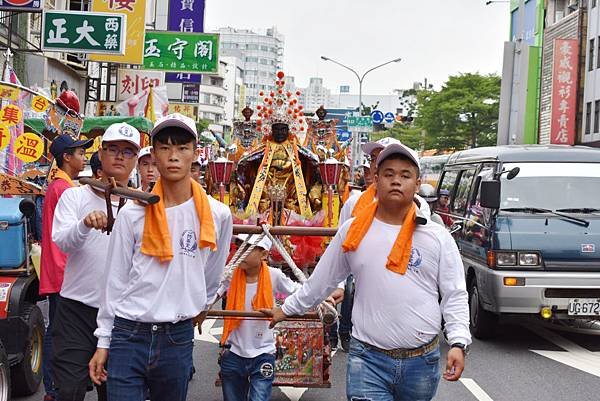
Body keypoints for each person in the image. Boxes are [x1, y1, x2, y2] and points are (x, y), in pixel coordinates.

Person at [262, 142, 471, 401]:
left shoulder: (436, 236)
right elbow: (322, 280)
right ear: (375, 179)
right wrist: (286, 309)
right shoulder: (352, 231)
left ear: (417, 184)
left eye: (405, 175)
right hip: (367, 360)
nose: (396, 181)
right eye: (388, 174)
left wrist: (458, 342)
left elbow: (455, 293)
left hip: (422, 363)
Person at [88, 113, 233, 401]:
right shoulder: (132, 213)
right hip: (128, 334)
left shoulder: (218, 215)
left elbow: (214, 274)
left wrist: (198, 304)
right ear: (153, 154)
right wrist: (104, 340)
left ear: (195, 153)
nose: (174, 157)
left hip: (176, 338)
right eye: (165, 148)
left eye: (182, 148)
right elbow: (114, 282)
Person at [51, 123, 141, 401]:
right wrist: (84, 224)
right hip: (76, 311)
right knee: (69, 390)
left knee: (115, 393)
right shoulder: (74, 196)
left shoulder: (143, 207)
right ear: (101, 154)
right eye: (113, 149)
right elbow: (62, 240)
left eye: (127, 152)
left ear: (135, 159)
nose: (119, 156)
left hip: (123, 317)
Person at [334, 137, 431, 352]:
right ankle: (344, 331)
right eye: (374, 159)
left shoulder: (420, 208)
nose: (376, 163)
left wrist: (458, 339)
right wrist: (338, 286)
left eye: (401, 173)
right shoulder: (354, 202)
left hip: (403, 278)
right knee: (350, 288)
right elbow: (339, 251)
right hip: (359, 276)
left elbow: (452, 288)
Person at [39, 134, 93, 401]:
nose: (83, 157)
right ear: (66, 157)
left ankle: (55, 386)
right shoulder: (64, 188)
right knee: (58, 333)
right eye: (80, 153)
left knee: (56, 330)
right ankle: (54, 387)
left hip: (59, 268)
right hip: (63, 271)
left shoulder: (61, 185)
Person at [219, 234, 300, 401]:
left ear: (264, 254)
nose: (241, 253)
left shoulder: (273, 275)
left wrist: (323, 297)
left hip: (263, 352)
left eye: (248, 248)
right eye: (239, 247)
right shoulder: (230, 273)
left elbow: (299, 291)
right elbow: (213, 294)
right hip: (233, 351)